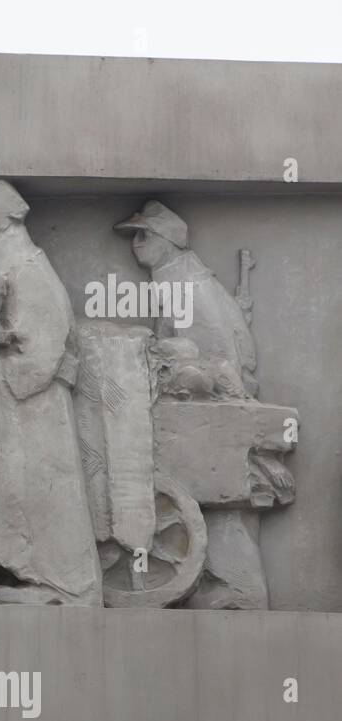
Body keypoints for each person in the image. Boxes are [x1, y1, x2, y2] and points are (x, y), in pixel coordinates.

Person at [114, 200, 282, 609]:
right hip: (203, 411)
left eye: (144, 235)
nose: (136, 245)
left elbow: (220, 362)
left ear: (168, 240)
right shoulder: (176, 280)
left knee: (220, 505)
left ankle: (242, 592)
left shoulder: (188, 286)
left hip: (209, 414)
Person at [0, 180, 102, 606]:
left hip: (34, 402)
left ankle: (66, 589)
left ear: (10, 218)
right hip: (13, 397)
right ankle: (23, 574)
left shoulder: (29, 271)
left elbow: (47, 346)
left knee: (42, 485)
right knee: (9, 484)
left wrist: (11, 378)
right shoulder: (8, 267)